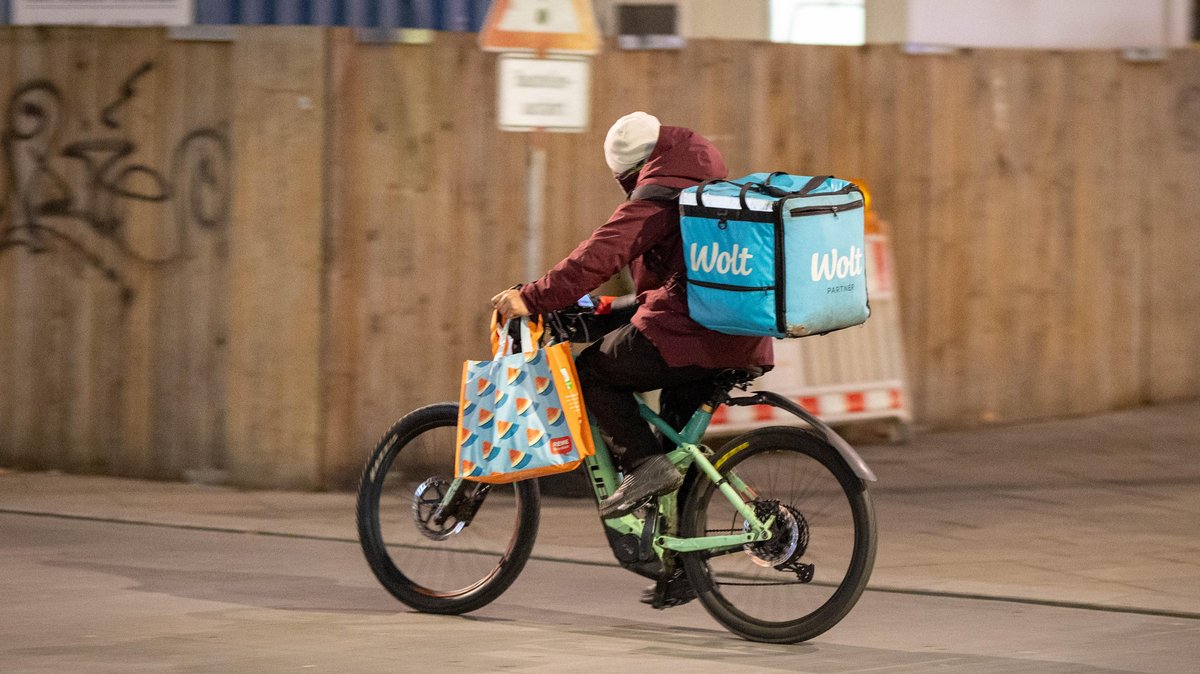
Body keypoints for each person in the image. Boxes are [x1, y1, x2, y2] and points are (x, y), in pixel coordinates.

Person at [491, 112, 773, 519]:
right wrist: (613, 311)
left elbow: (603, 253)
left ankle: (641, 466)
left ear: (635, 169)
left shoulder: (662, 193)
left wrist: (534, 298)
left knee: (590, 372)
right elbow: (675, 285)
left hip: (691, 334)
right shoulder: (708, 185)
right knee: (680, 457)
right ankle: (678, 579)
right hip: (738, 334)